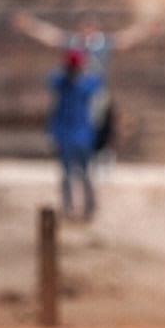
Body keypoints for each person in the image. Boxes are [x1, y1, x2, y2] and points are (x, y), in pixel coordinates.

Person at [14, 10, 159, 158]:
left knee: (99, 119)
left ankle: (99, 149)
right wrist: (30, 25)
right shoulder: (74, 41)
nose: (88, 30)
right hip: (74, 91)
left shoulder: (102, 42)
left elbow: (125, 39)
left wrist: (145, 30)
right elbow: (51, 36)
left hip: (95, 90)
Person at [48, 50, 103, 221]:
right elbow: (99, 78)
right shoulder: (82, 84)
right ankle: (77, 207)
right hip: (76, 136)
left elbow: (52, 77)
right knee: (75, 174)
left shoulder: (65, 83)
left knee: (76, 174)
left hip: (76, 135)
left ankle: (78, 207)